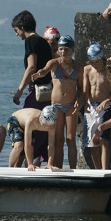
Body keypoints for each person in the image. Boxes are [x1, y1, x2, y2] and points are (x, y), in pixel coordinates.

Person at [31, 35, 83, 169]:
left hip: (71, 105)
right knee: (58, 140)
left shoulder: (78, 66)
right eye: (61, 49)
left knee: (70, 139)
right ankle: (58, 167)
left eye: (66, 49)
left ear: (72, 50)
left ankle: (73, 168)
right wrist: (39, 73)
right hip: (57, 105)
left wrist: (78, 99)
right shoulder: (54, 63)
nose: (63, 52)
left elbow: (81, 88)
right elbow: (44, 70)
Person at [11, 10, 52, 163]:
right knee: (42, 130)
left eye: (16, 30)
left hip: (36, 92)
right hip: (48, 92)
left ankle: (20, 165)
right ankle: (39, 162)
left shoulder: (31, 41)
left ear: (22, 27)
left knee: (26, 127)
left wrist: (19, 91)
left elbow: (31, 67)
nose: (16, 34)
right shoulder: (43, 42)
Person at [81, 42, 111, 169]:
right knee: (91, 143)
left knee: (103, 140)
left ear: (102, 59)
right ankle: (97, 169)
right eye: (92, 62)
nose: (95, 65)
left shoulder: (109, 71)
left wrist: (106, 102)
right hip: (91, 106)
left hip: (105, 105)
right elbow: (85, 90)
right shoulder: (87, 69)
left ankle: (105, 170)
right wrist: (83, 103)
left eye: (97, 62)